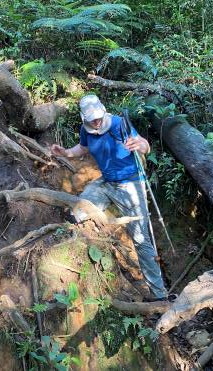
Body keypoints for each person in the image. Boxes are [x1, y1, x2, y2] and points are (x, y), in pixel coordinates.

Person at [50, 94, 168, 300]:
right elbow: (83, 148)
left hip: (130, 183)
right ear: (84, 118)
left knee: (141, 239)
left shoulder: (119, 124)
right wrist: (65, 153)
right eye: (92, 119)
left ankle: (159, 295)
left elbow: (145, 146)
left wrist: (139, 145)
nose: (96, 121)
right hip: (106, 182)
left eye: (98, 117)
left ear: (103, 111)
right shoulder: (86, 130)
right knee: (78, 210)